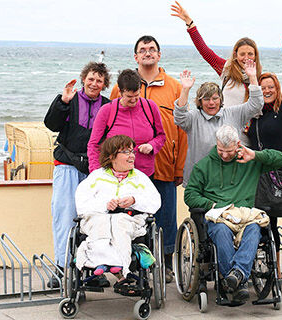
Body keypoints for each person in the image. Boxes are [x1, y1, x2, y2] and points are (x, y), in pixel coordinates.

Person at [109, 35, 187, 283]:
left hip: (164, 165)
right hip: (129, 170)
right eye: (142, 50)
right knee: (132, 216)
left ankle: (165, 265)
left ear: (159, 54)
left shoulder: (174, 87)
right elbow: (109, 125)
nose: (147, 53)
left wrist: (180, 166)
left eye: (152, 49)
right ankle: (132, 264)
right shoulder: (120, 87)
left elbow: (181, 130)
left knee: (165, 218)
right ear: (135, 56)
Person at [185, 125, 282, 303]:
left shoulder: (249, 161)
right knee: (222, 231)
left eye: (229, 151)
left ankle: (236, 276)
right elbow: (190, 195)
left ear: (238, 144)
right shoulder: (203, 166)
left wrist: (255, 155)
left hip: (245, 215)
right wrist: (212, 204)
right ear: (216, 145)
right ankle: (236, 281)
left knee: (254, 229)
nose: (224, 155)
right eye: (220, 150)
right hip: (219, 216)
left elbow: (281, 159)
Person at [44, 62, 111, 288]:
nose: (94, 83)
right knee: (64, 217)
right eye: (91, 79)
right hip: (66, 166)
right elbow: (51, 125)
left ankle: (93, 269)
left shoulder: (107, 105)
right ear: (84, 79)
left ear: (104, 84)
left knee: (95, 219)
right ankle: (61, 268)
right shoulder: (70, 99)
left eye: (99, 80)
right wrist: (62, 101)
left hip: (93, 171)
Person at [75, 135, 161, 293]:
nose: (132, 155)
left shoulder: (140, 178)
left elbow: (155, 202)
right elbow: (81, 203)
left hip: (129, 219)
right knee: (101, 222)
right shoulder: (97, 177)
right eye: (126, 152)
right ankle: (103, 261)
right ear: (111, 156)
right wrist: (105, 205)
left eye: (132, 151)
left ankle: (120, 265)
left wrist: (134, 200)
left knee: (119, 221)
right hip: (99, 218)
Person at [247, 35, 282, 279]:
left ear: (276, 90)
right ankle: (276, 269)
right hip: (263, 176)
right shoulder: (255, 117)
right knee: (269, 224)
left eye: (271, 87)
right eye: (263, 87)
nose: (267, 90)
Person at [171, 1, 262, 145]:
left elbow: (265, 103)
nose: (246, 58)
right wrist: (190, 23)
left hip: (247, 138)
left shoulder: (258, 79)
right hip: (223, 134)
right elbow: (205, 51)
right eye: (242, 53)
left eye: (250, 54)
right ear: (235, 54)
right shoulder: (227, 70)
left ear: (255, 56)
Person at [174, 59, 263, 186]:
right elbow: (179, 117)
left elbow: (256, 104)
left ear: (221, 99)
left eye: (215, 98)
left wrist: (253, 78)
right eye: (206, 99)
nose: (211, 103)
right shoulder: (194, 117)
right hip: (200, 181)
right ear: (200, 102)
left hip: (230, 181)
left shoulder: (234, 113)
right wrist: (185, 90)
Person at [87, 69, 166, 179]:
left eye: (137, 95)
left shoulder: (150, 107)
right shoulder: (107, 111)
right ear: (120, 91)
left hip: (144, 175)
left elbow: (161, 136)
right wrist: (96, 174)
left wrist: (152, 145)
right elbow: (93, 145)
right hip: (114, 176)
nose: (133, 100)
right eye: (129, 97)